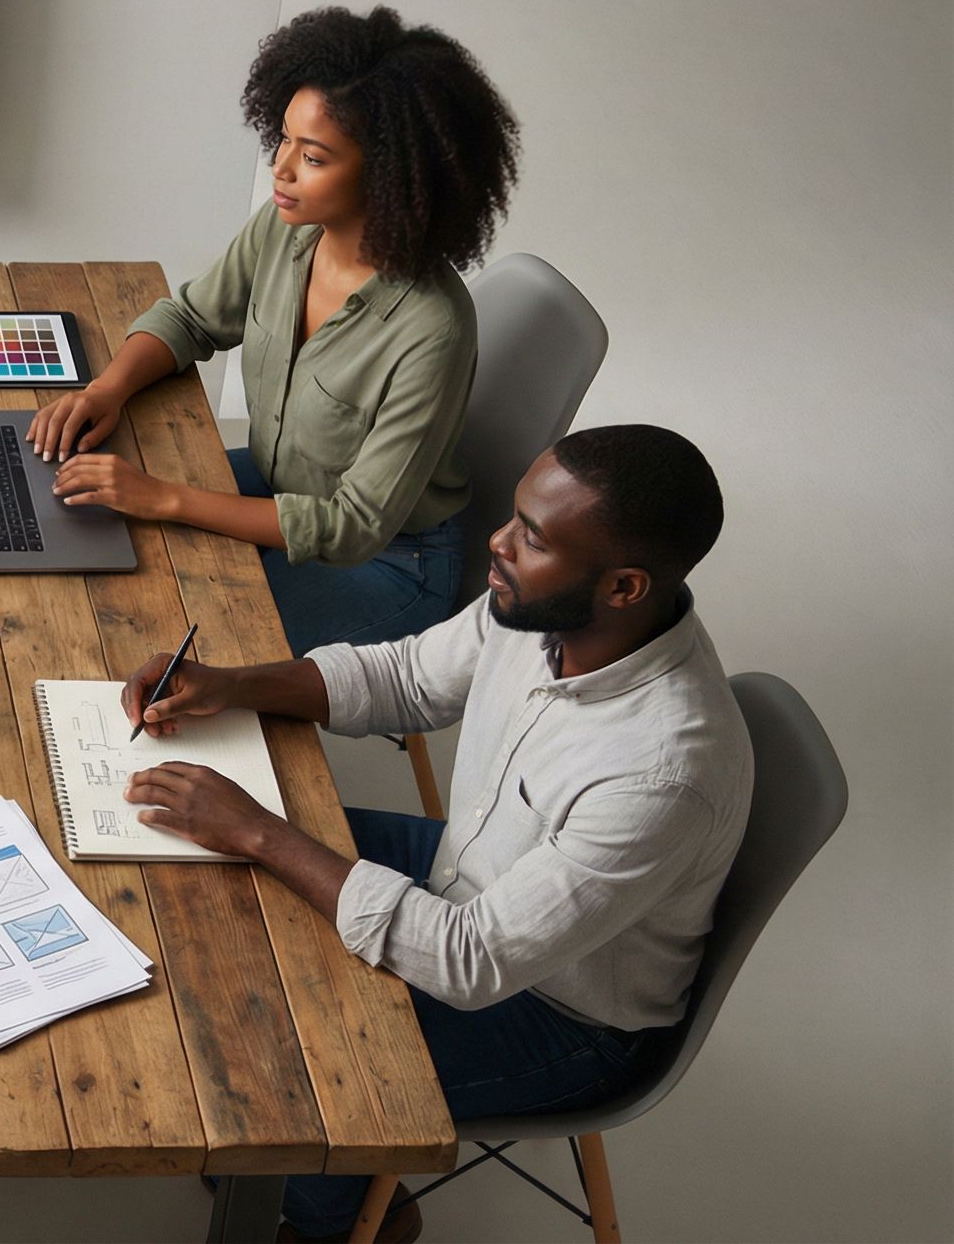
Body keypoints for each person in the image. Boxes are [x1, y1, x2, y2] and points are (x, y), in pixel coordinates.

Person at [115, 425, 748, 1243]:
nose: (497, 541)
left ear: (624, 586)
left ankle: (332, 1220)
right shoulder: (546, 603)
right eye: (515, 516)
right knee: (197, 869)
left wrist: (263, 834)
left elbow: (471, 960)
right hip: (464, 874)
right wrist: (232, 686)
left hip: (556, 1010)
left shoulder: (661, 771)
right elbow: (408, 676)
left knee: (269, 1072)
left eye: (532, 536)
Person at [31, 5, 521, 654]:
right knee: (65, 522)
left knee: (149, 640)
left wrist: (165, 499)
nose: (281, 169)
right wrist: (106, 391)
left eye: (313, 156)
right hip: (274, 489)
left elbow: (352, 526)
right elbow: (191, 318)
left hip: (384, 564)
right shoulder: (287, 228)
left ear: (393, 173)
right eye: (283, 138)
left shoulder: (432, 328)